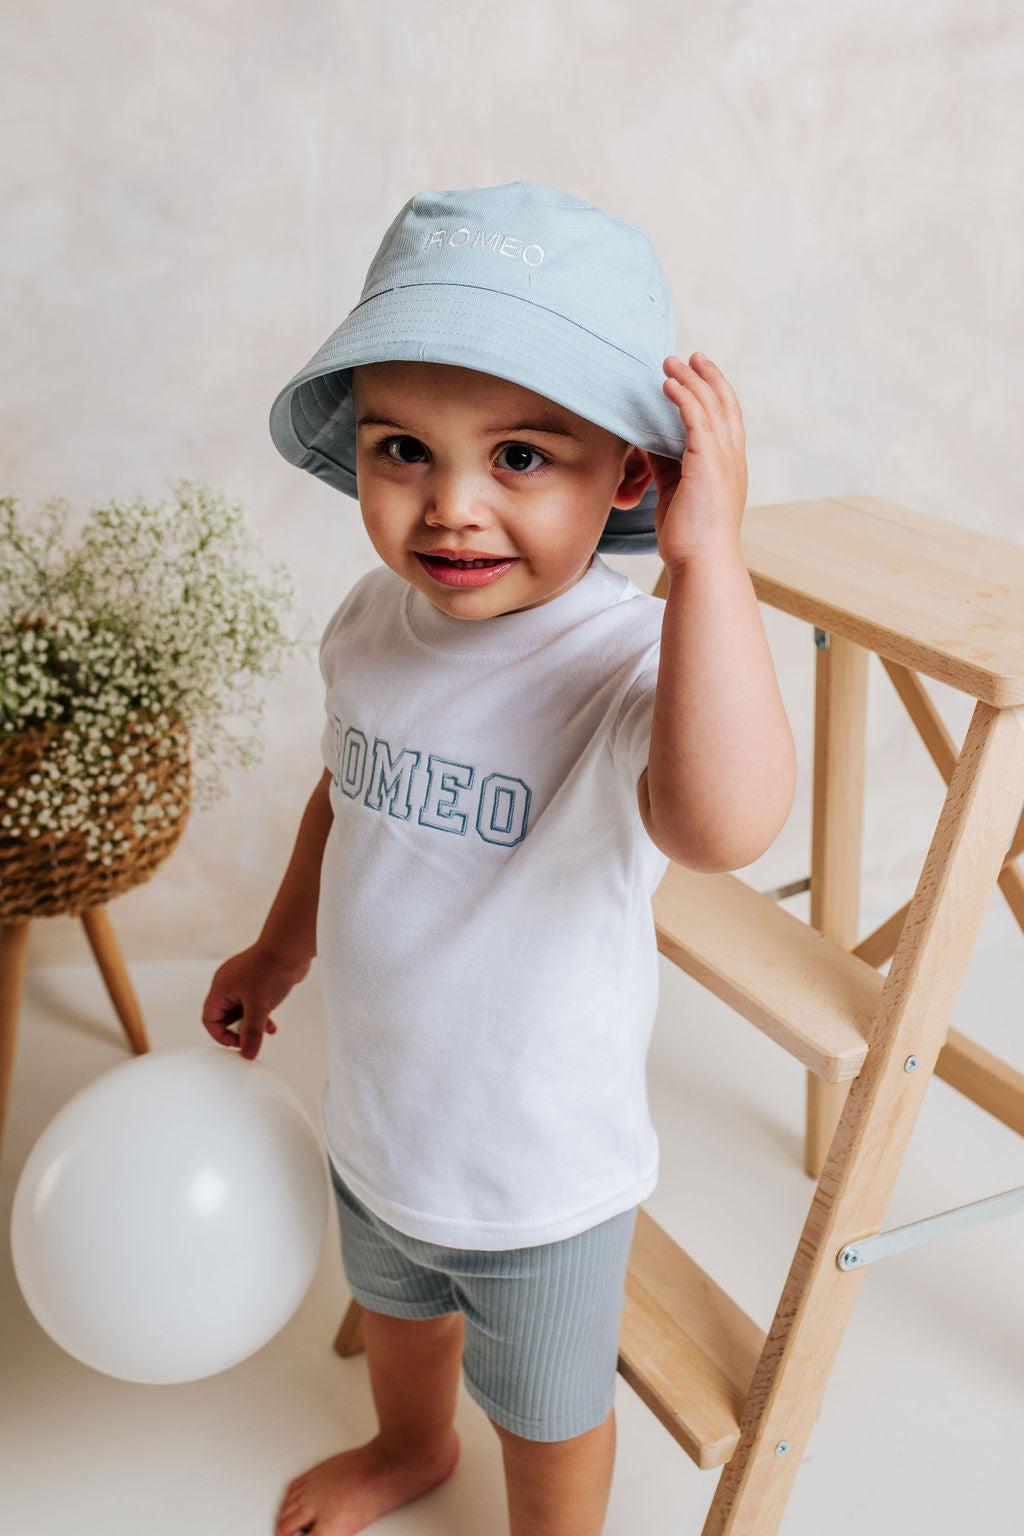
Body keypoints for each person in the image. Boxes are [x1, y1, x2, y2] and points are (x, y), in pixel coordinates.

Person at [202, 181, 796, 1536]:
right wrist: (280, 943)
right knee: (402, 1323)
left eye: (522, 458)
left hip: (539, 1172)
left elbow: (724, 825)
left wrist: (709, 569)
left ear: (633, 476)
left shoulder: (628, 661)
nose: (452, 507)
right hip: (381, 1118)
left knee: (547, 1411)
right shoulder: (370, 622)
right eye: (405, 449)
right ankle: (411, 1451)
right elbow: (344, 796)